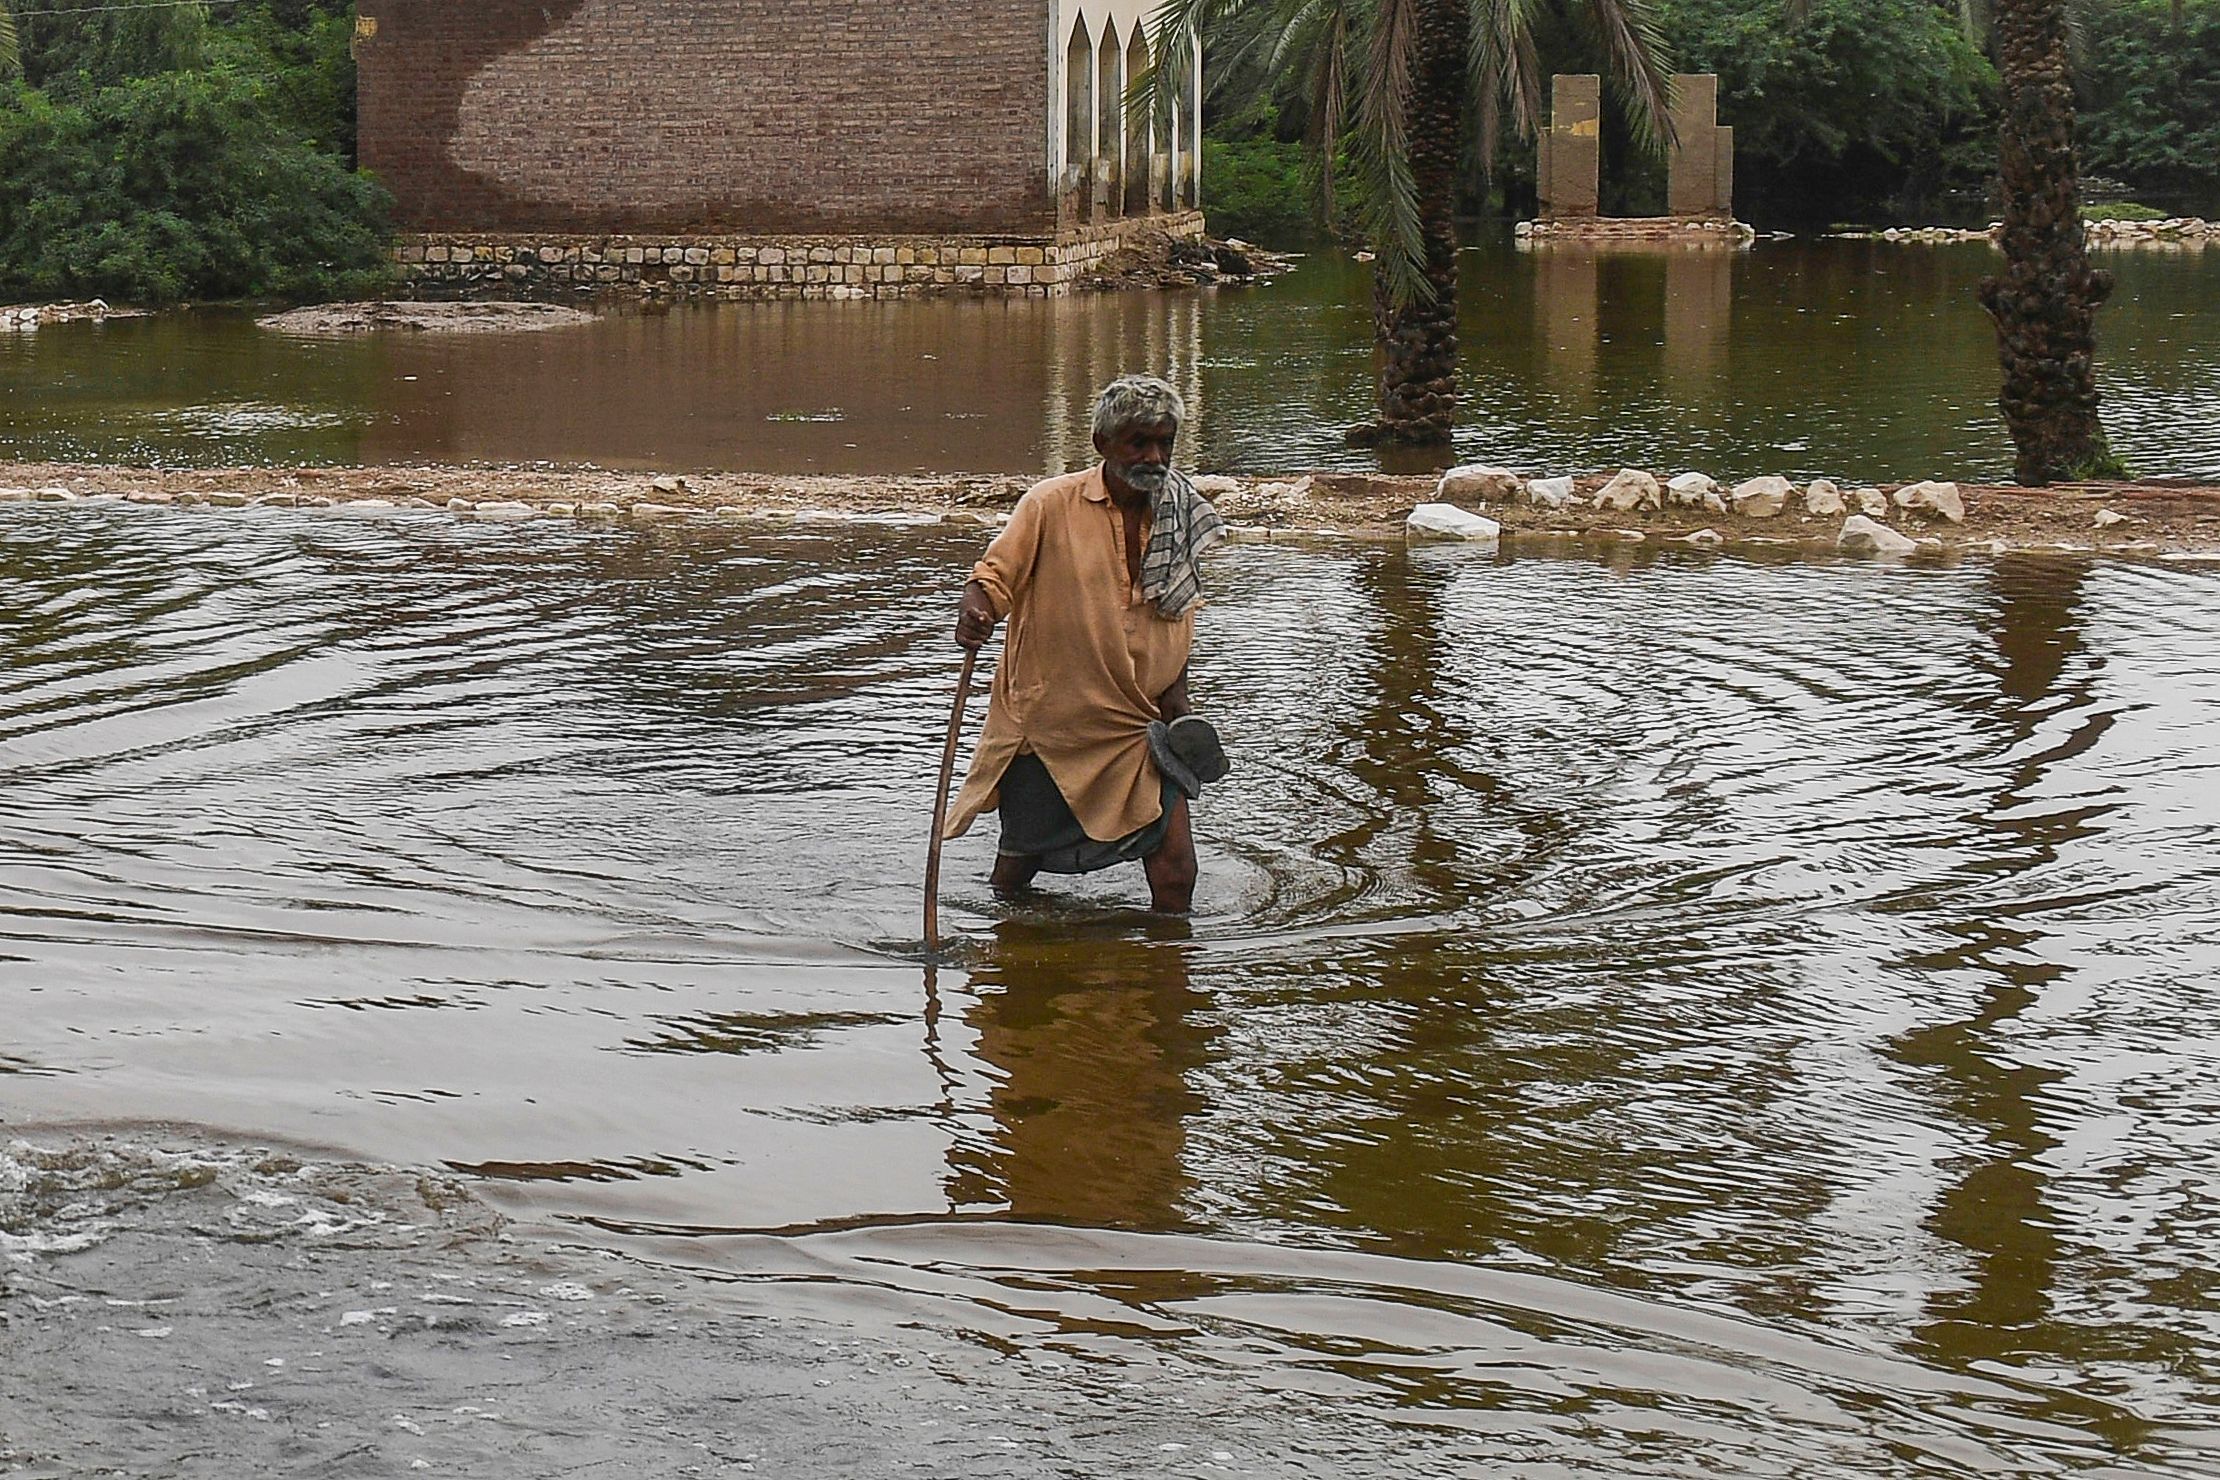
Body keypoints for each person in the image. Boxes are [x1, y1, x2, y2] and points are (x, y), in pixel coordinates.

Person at [943, 375, 1229, 914]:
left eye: (1165, 442)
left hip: (1139, 724)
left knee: (1175, 874)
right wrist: (976, 607)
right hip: (1055, 723)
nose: (1155, 456)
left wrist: (1179, 693)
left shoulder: (1179, 508)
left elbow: (1177, 611)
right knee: (1018, 867)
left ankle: (1166, 985)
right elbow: (995, 576)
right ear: (1102, 444)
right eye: (1138, 442)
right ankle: (1011, 963)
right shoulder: (1049, 505)